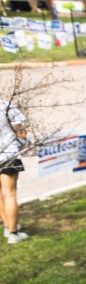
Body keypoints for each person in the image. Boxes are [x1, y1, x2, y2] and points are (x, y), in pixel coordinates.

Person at [0, 100, 28, 244]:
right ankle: (13, 233)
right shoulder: (5, 104)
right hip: (7, 155)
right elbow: (20, 128)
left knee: (0, 194)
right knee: (9, 194)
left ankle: (6, 226)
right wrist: (24, 143)